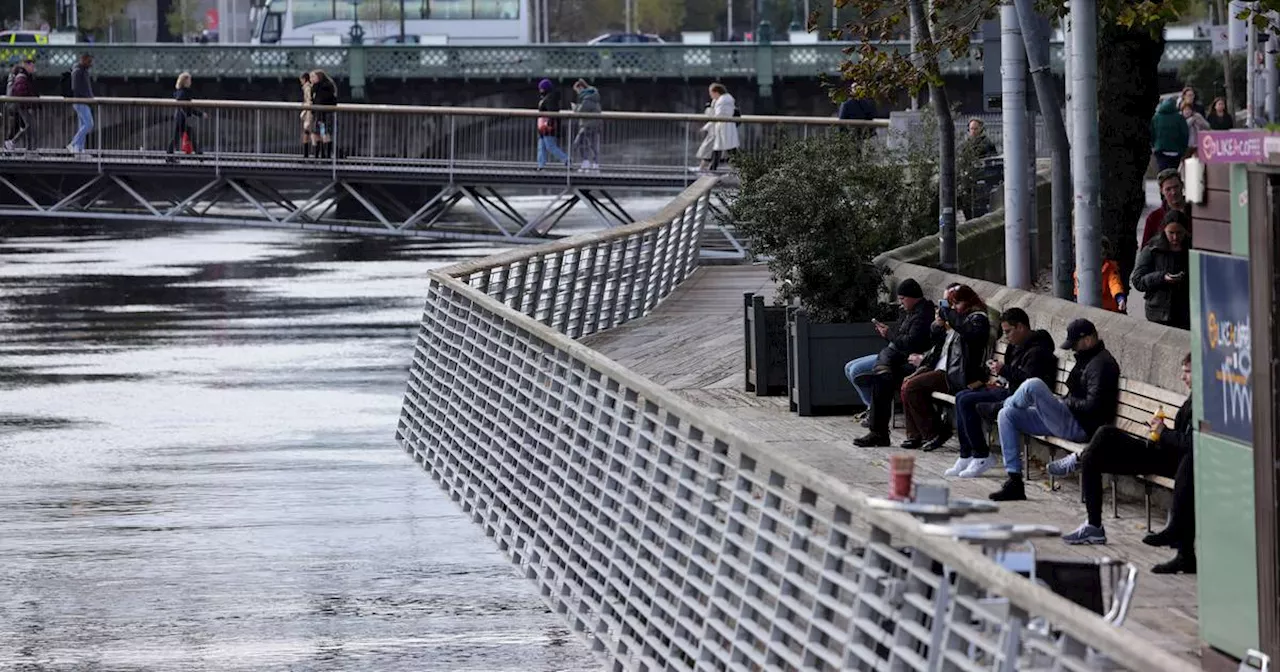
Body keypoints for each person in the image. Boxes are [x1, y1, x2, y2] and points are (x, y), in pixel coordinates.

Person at [1052, 354, 1196, 574]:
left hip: (1178, 463)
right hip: (1162, 454)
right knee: (1101, 443)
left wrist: (1164, 433)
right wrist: (1160, 431)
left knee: (1103, 437)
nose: (1183, 377)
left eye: (1187, 372)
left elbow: (1194, 444)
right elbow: (1180, 437)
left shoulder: (1206, 403)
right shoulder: (1192, 399)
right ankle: (1093, 524)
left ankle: (1183, 551)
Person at [989, 319, 1120, 502]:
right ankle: (1015, 481)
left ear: (1089, 339)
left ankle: (1005, 403)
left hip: (1080, 425)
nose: (1073, 349)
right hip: (1067, 417)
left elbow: (1093, 406)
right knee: (1007, 415)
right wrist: (1064, 402)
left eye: (1075, 344)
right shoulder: (1088, 359)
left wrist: (1065, 402)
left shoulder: (1102, 364)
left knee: (1033, 385)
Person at [946, 308, 1056, 478]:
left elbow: (1031, 383)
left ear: (1020, 327)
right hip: (1008, 390)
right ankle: (966, 454)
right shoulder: (1015, 346)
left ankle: (982, 455)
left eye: (1008, 332)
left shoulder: (1039, 350)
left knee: (968, 402)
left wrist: (1004, 370)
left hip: (1021, 399)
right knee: (962, 396)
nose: (1006, 337)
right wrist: (1001, 374)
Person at [899, 285, 991, 451]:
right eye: (950, 304)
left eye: (956, 303)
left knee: (913, 387)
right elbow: (938, 342)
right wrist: (937, 325)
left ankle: (935, 432)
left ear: (968, 301)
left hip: (957, 373)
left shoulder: (977, 318)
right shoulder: (958, 320)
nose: (954, 308)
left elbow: (971, 334)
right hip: (941, 367)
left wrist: (948, 314)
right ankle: (915, 435)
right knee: (907, 383)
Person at [852, 280, 938, 448]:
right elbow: (902, 338)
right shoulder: (911, 312)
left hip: (916, 362)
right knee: (881, 379)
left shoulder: (922, 315)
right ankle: (878, 432)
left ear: (913, 297)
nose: (900, 303)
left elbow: (910, 343)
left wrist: (889, 335)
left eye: (902, 299)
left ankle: (879, 433)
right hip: (904, 359)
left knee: (882, 379)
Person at [1131, 210, 1192, 330]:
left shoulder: (1191, 248)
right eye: (1171, 233)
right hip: (1158, 313)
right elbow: (1137, 280)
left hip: (1185, 313)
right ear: (1164, 230)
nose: (1175, 238)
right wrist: (1161, 277)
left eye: (1179, 233)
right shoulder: (1152, 249)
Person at [1073, 237, 1127, 313]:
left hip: (1107, 309)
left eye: (1103, 252)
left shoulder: (1110, 268)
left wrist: (1120, 298)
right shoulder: (1082, 268)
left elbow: (1115, 284)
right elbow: (1078, 286)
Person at [957, 118, 997, 218]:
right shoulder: (966, 145)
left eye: (976, 128)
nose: (973, 131)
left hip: (983, 178)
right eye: (972, 129)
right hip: (969, 180)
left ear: (981, 129)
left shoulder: (987, 144)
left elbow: (991, 159)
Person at [1141, 169, 1190, 247]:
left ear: (1182, 185)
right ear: (1161, 191)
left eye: (1176, 187)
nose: (1173, 192)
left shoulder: (1194, 213)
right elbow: (1145, 250)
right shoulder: (1154, 218)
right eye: (1168, 189)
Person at [166, 72, 204, 159]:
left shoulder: (181, 92)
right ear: (185, 81)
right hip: (182, 118)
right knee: (177, 138)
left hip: (182, 117)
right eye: (189, 80)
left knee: (186, 136)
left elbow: (186, 106)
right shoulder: (183, 92)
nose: (190, 82)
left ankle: (199, 154)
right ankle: (199, 155)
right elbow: (187, 107)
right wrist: (200, 114)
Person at [3, 59, 35, 154]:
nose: (33, 69)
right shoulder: (21, 77)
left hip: (14, 105)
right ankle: (12, 144)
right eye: (32, 66)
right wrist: (28, 104)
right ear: (26, 65)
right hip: (19, 106)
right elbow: (21, 91)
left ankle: (10, 146)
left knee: (20, 126)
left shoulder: (18, 75)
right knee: (26, 126)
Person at [535, 78, 569, 169]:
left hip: (548, 127)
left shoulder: (550, 98)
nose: (540, 90)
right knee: (541, 146)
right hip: (543, 127)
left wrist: (549, 124)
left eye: (541, 88)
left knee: (550, 146)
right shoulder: (548, 98)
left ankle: (566, 159)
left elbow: (552, 113)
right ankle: (540, 165)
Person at [1150, 97, 1189, 174]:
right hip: (1176, 150)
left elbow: (1151, 133)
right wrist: (1183, 149)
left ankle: (1163, 185)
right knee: (1173, 173)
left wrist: (1154, 145)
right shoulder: (1179, 118)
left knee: (1163, 172)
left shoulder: (1156, 117)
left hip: (1160, 149)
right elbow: (1185, 134)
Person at [571, 79, 602, 171]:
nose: (577, 93)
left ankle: (586, 163)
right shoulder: (592, 95)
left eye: (577, 90)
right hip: (594, 123)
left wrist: (574, 107)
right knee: (592, 144)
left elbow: (581, 111)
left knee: (579, 143)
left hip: (587, 124)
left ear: (580, 88)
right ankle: (594, 164)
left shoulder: (587, 98)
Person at [707, 82, 739, 171]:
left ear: (716, 92)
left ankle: (739, 168)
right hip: (724, 126)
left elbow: (719, 114)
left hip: (725, 126)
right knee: (720, 148)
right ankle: (713, 168)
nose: (710, 95)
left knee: (729, 149)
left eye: (711, 93)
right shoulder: (723, 99)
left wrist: (708, 125)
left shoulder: (723, 101)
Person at [68, 53, 95, 155]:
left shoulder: (83, 71)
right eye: (90, 61)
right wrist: (88, 97)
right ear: (84, 60)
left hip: (84, 101)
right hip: (80, 101)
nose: (91, 63)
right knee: (89, 124)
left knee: (83, 125)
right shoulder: (78, 71)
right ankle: (73, 144)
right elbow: (76, 88)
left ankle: (79, 150)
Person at [309, 70, 337, 159]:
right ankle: (319, 154)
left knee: (324, 133)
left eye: (313, 77)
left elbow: (323, 100)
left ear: (319, 77)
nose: (311, 79)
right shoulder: (315, 88)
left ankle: (326, 155)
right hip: (318, 113)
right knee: (316, 133)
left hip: (324, 114)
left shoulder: (325, 87)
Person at [299, 72, 314, 159]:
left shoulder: (307, 88)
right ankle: (317, 153)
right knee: (312, 133)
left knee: (308, 133)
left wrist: (304, 110)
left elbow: (309, 101)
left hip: (309, 114)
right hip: (310, 113)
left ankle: (306, 155)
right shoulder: (309, 87)